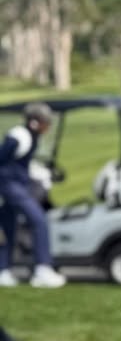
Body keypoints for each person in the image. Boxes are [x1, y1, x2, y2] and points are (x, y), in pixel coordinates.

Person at [0, 103, 65, 288]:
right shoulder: (18, 137)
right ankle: (42, 269)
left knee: (8, 227)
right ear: (36, 122)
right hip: (9, 186)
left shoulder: (30, 137)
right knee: (38, 220)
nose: (48, 127)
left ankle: (3, 270)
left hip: (15, 184)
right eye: (47, 123)